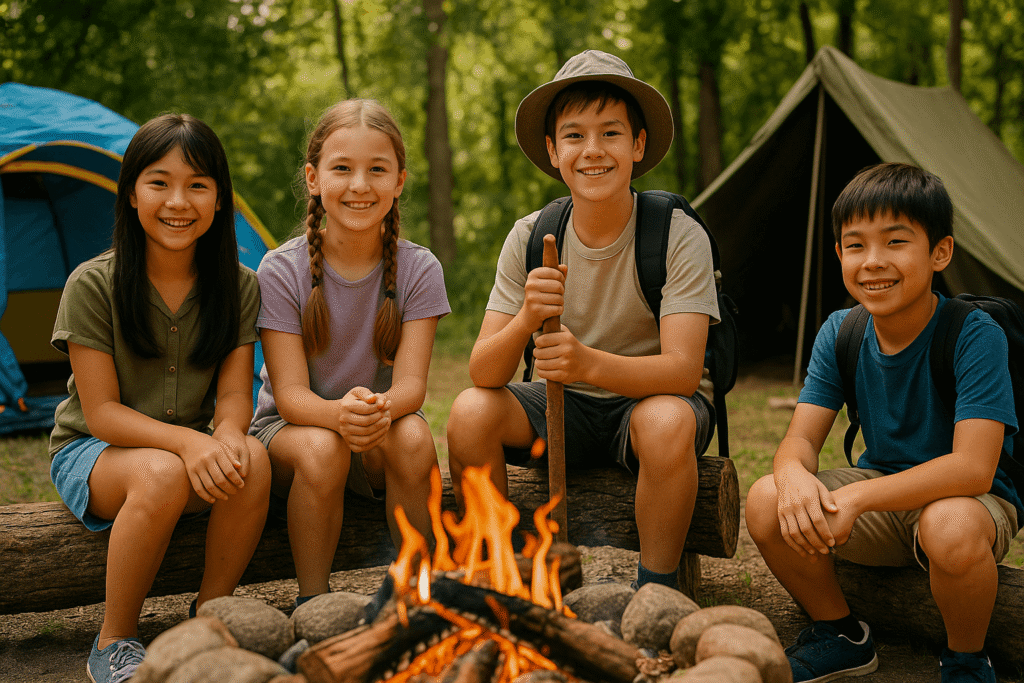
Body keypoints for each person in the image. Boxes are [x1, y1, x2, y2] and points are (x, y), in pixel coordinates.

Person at [445, 50, 720, 591]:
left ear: (638, 145)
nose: (592, 150)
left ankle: (656, 591)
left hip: (649, 405)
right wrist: (527, 317)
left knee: (667, 422)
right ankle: (504, 580)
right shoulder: (531, 235)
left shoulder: (676, 234)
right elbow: (483, 371)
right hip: (560, 405)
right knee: (470, 413)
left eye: (611, 133)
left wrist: (585, 363)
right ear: (553, 151)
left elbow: (684, 372)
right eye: (574, 136)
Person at [745, 163, 1020, 683]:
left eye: (895, 242)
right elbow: (800, 439)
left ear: (940, 252)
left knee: (948, 524)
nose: (873, 261)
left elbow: (973, 468)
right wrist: (793, 475)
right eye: (856, 245)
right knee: (765, 498)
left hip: (970, 503)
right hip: (883, 496)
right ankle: (840, 634)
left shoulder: (974, 334)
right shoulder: (841, 330)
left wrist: (855, 499)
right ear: (839, 254)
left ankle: (966, 660)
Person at [48, 113, 271, 683]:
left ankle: (209, 617)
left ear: (219, 199)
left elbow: (234, 393)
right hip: (95, 451)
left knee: (252, 457)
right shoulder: (92, 284)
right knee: (162, 473)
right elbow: (101, 413)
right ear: (131, 193)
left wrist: (225, 434)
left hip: (186, 448)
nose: (178, 201)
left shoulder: (240, 285)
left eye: (197, 184)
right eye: (159, 182)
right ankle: (113, 640)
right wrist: (188, 445)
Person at [250, 99, 449, 606]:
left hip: (378, 427)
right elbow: (290, 397)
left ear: (399, 181)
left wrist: (374, 410)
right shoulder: (281, 270)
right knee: (324, 448)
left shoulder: (420, 269)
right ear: (313, 178)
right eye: (342, 169)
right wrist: (340, 415)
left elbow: (411, 388)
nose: (360, 185)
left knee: (415, 438)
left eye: (377, 170)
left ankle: (417, 594)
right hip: (293, 436)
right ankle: (314, 602)